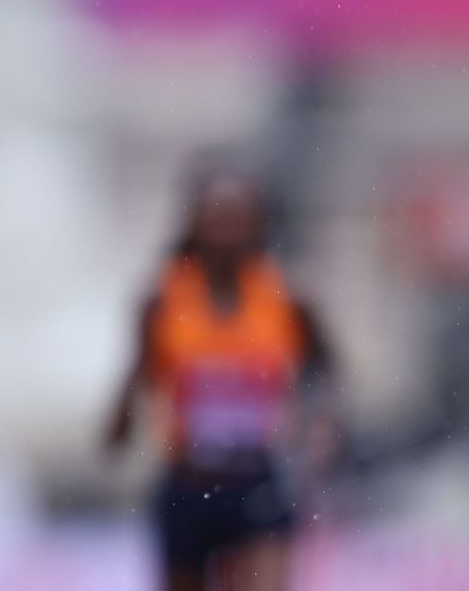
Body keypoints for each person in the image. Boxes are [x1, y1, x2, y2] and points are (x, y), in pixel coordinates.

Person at [106, 168, 336, 591]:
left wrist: (316, 428)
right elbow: (134, 382)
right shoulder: (164, 301)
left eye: (237, 220)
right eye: (216, 219)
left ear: (258, 225)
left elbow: (323, 370)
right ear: (193, 225)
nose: (226, 234)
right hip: (188, 481)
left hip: (257, 480)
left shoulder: (287, 299)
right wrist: (120, 425)